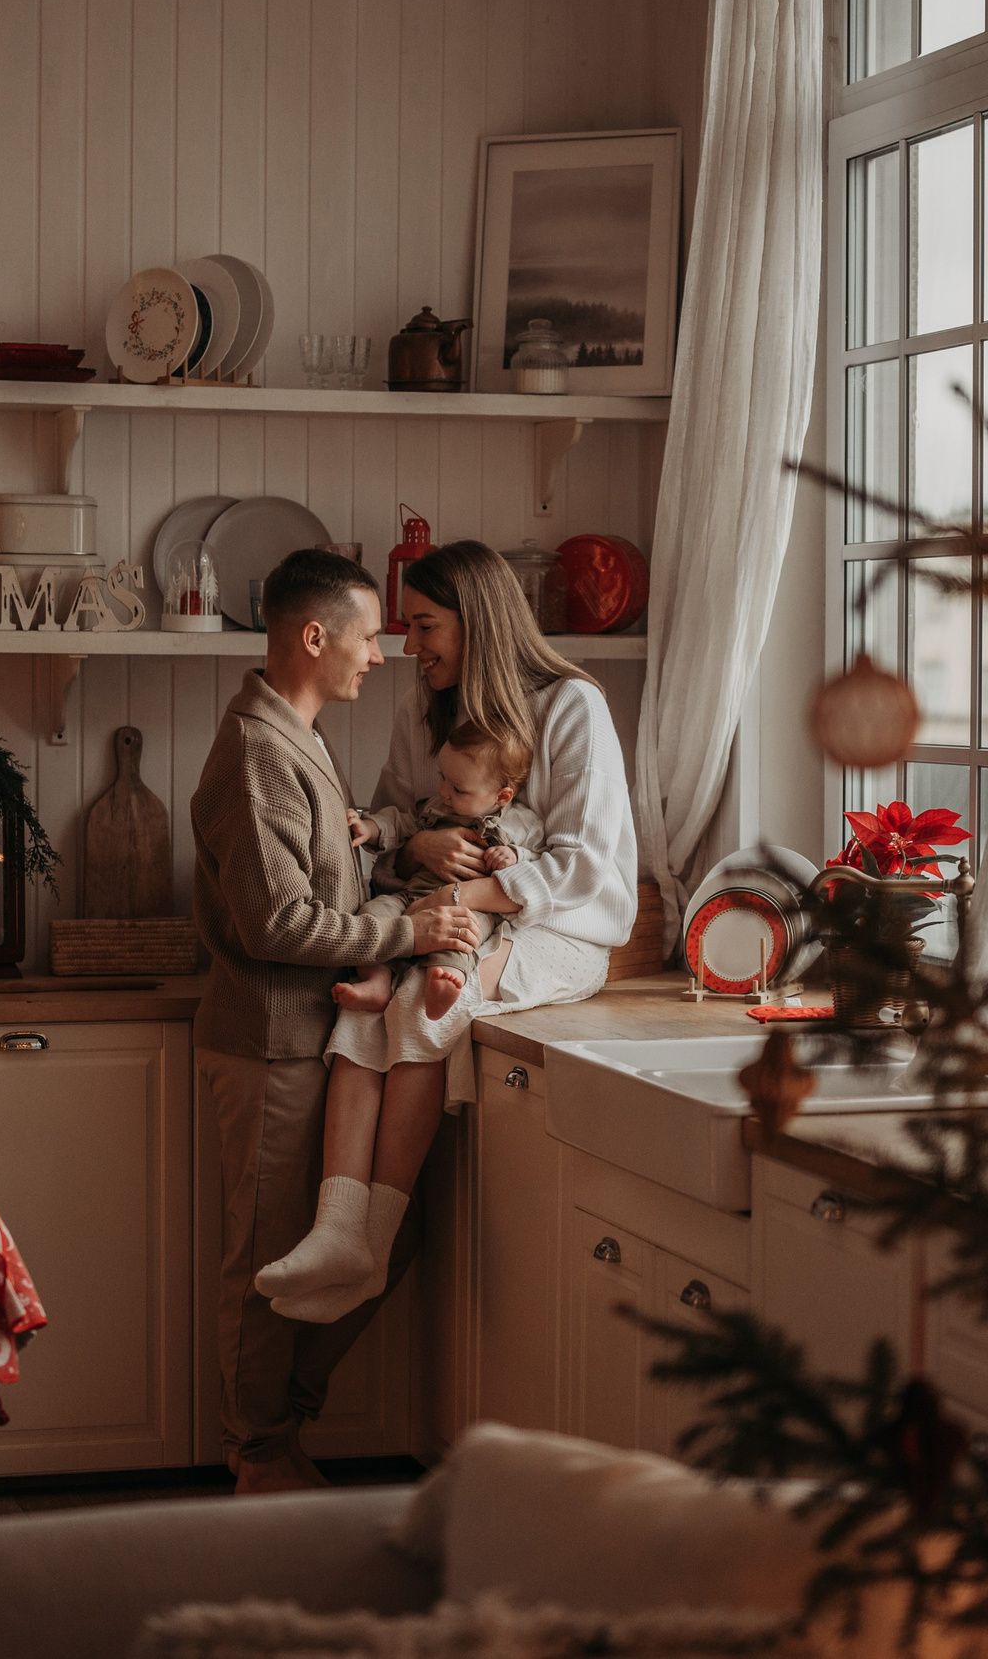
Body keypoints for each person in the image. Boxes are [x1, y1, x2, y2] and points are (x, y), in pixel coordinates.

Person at [251, 539, 638, 1328]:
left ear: (479, 625)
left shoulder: (570, 706)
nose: (407, 646)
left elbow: (590, 869)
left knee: (421, 1004)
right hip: (446, 911)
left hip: (557, 932)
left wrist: (461, 893)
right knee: (367, 1003)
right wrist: (417, 851)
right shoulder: (422, 708)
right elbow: (393, 838)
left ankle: (371, 1241)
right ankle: (337, 1229)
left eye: (425, 626)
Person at [189, 547, 482, 1496]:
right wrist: (411, 923)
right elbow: (276, 920)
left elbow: (328, 868)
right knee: (269, 1257)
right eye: (368, 636)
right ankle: (257, 1451)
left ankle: (278, 1430)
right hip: (272, 1043)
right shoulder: (253, 753)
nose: (384, 653)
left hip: (315, 1037)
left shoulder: (297, 737)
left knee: (363, 1245)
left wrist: (402, 841)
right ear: (314, 638)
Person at [334, 722, 543, 1022]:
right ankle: (377, 980)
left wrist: (514, 854)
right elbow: (400, 823)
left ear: (502, 796)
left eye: (458, 789)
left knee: (463, 937)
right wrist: (369, 827)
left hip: (472, 907)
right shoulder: (436, 808)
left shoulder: (520, 824)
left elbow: (539, 858)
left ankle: (444, 980)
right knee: (373, 911)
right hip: (411, 895)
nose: (444, 791)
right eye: (442, 778)